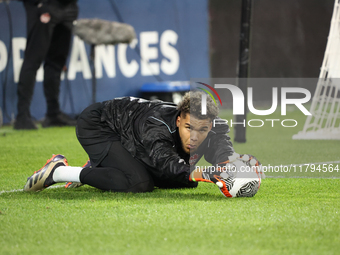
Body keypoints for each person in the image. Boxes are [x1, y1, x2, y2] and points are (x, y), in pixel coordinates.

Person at [23, 91, 261, 197]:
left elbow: (221, 147)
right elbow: (165, 163)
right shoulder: (156, 125)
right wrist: (208, 173)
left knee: (183, 184)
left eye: (203, 129)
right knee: (138, 183)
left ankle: (110, 163)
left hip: (131, 138)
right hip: (99, 124)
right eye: (189, 128)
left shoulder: (214, 126)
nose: (195, 136)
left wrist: (231, 164)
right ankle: (59, 171)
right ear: (179, 120)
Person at [14, 0, 78, 130]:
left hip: (68, 6)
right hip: (44, 4)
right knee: (33, 59)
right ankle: (22, 116)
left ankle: (53, 114)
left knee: (57, 61)